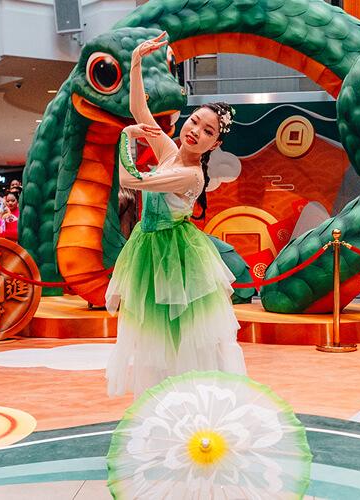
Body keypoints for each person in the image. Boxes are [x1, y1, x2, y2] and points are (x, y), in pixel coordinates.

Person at [104, 33, 248, 396]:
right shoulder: (170, 152)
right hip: (150, 252)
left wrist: (126, 138)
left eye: (208, 131)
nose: (196, 131)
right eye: (195, 122)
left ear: (215, 144)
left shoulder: (189, 174)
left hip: (176, 260)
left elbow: (129, 179)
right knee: (155, 342)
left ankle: (191, 403)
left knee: (183, 340)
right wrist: (136, 62)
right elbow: (140, 111)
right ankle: (164, 406)